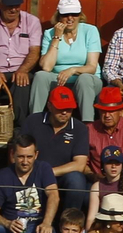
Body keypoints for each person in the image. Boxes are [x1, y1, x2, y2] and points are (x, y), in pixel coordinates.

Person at [0, 133, 60, 233]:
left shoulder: (44, 168)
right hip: (12, 230)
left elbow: (54, 195)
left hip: (38, 227)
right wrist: (8, 223)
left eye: (29, 157)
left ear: (36, 155)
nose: (25, 161)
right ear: (13, 154)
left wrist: (46, 223)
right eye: (21, 157)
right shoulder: (3, 176)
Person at [21, 84, 90, 214]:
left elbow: (80, 164)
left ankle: (69, 221)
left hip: (62, 176)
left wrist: (48, 172)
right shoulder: (33, 121)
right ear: (49, 106)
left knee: (76, 180)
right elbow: (19, 150)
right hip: (33, 173)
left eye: (68, 109)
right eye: (60, 108)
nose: (64, 112)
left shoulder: (80, 128)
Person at [30, 0, 101, 116]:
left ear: (80, 15)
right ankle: (35, 119)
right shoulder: (49, 33)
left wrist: (72, 70)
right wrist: (57, 37)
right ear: (58, 16)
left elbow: (92, 67)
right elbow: (47, 67)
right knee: (40, 76)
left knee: (84, 79)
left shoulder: (90, 31)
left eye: (75, 14)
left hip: (86, 79)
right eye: (65, 15)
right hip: (58, 79)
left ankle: (87, 122)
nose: (70, 18)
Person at [87, 86, 123, 181]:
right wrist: (94, 178)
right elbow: (83, 163)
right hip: (96, 182)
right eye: (103, 111)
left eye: (111, 111)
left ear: (120, 111)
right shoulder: (89, 130)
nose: (107, 115)